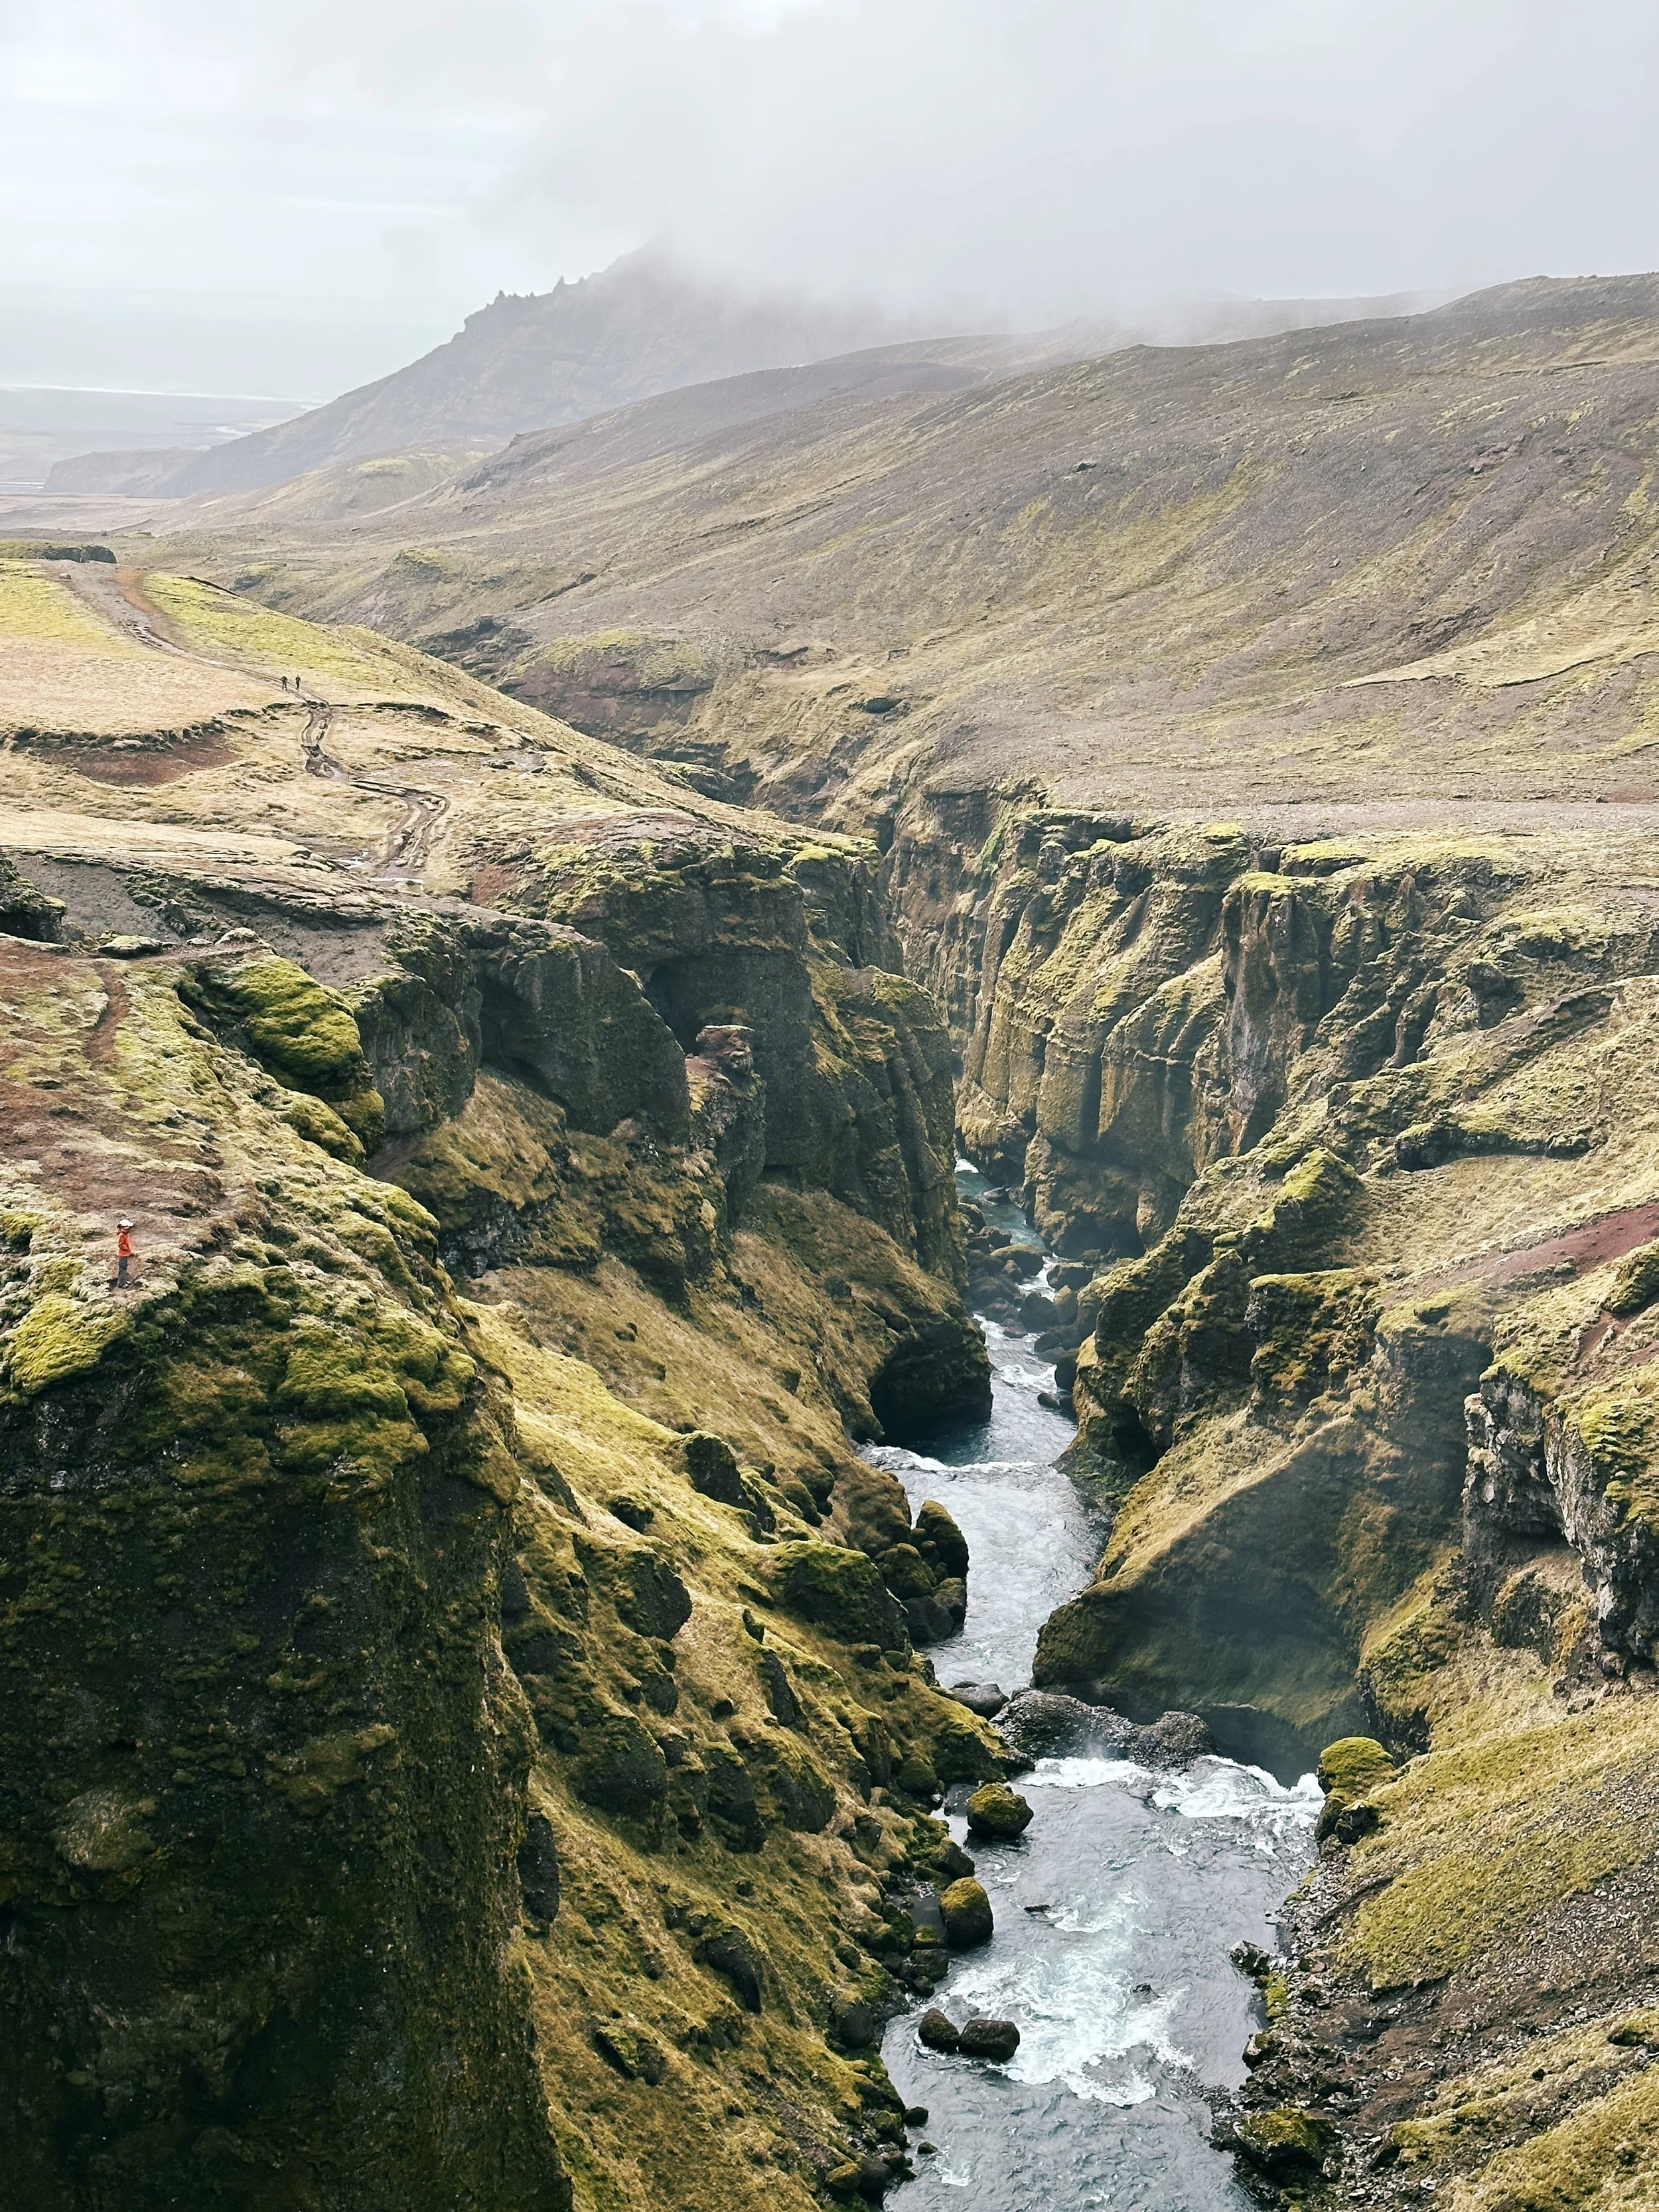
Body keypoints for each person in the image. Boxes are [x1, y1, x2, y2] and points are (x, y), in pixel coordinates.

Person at [113, 1217, 134, 1290]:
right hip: (123, 1254)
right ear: (122, 1227)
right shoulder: (122, 1235)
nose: (128, 1228)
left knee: (124, 1268)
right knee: (122, 1269)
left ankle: (124, 1281)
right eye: (126, 1227)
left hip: (125, 1254)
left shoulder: (126, 1234)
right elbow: (121, 1245)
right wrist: (127, 1249)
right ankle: (121, 1283)